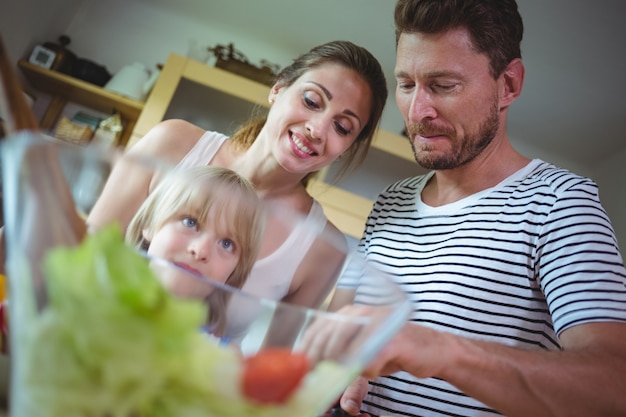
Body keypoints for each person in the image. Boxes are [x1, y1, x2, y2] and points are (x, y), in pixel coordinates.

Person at [330, 1, 626, 416]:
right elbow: (338, 332)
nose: (418, 112)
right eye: (407, 84)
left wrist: (444, 352)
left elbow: (614, 384)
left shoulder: (559, 201)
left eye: (444, 85)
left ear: (508, 84)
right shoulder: (390, 201)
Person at [87, 40, 388, 314]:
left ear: (349, 146)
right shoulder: (171, 144)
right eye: (311, 101)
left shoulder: (324, 249)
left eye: (343, 127)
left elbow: (276, 364)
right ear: (278, 89)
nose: (318, 129)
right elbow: (84, 255)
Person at [126, 165, 265, 336]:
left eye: (226, 244)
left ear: (233, 274)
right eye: (190, 222)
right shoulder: (91, 301)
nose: (200, 251)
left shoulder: (217, 356)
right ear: (149, 222)